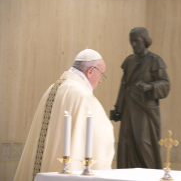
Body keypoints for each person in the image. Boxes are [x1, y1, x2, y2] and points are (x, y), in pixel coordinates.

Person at [14, 49, 114, 181]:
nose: (100, 80)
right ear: (90, 71)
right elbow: (102, 139)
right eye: (101, 74)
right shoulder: (82, 96)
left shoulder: (53, 89)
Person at [111, 27, 170, 169]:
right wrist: (118, 107)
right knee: (126, 143)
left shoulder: (155, 60)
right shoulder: (129, 60)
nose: (134, 45)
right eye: (131, 42)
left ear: (145, 40)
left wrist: (150, 87)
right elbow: (124, 85)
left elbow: (165, 84)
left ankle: (148, 175)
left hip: (145, 110)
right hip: (129, 107)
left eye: (136, 41)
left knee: (143, 143)